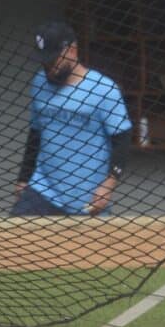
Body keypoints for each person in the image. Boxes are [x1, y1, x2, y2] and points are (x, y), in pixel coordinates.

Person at [12, 20, 132, 216]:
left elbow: (122, 139)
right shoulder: (39, 82)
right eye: (43, 61)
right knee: (14, 239)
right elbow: (35, 135)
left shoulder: (103, 89)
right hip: (42, 190)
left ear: (72, 51)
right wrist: (23, 179)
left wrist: (108, 186)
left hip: (86, 195)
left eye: (52, 60)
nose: (47, 67)